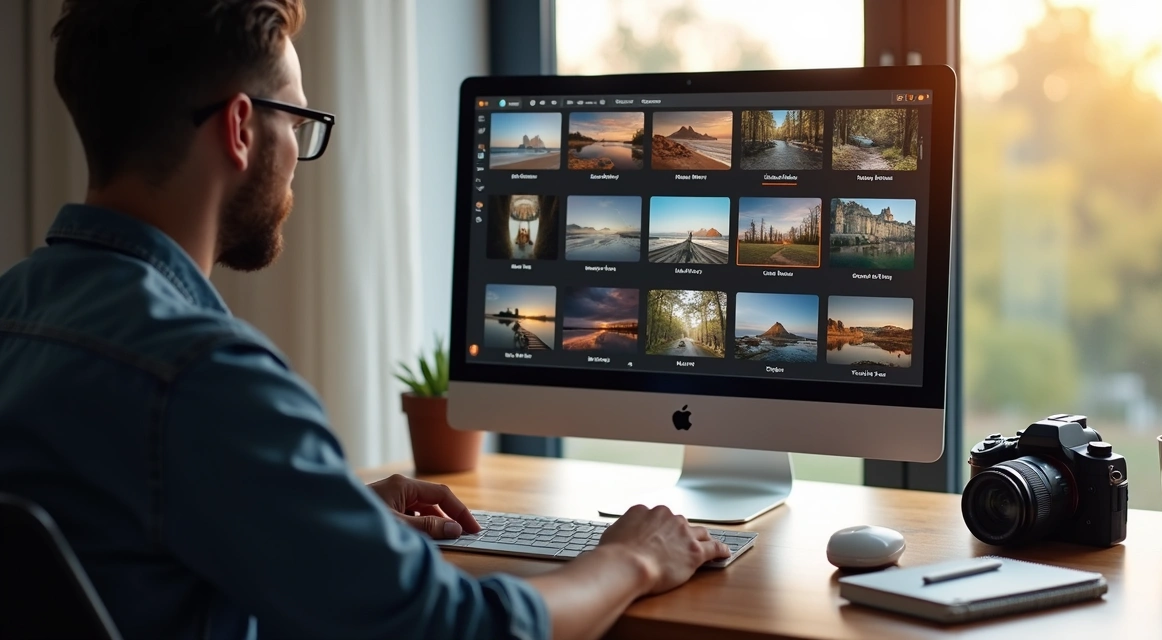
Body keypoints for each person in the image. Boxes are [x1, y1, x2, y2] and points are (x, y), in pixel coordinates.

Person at [0, 2, 728, 639]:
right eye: (302, 121)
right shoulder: (202, 377)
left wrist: (317, 515)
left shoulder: (17, 312)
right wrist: (631, 557)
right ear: (242, 128)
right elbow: (454, 631)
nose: (299, 158)